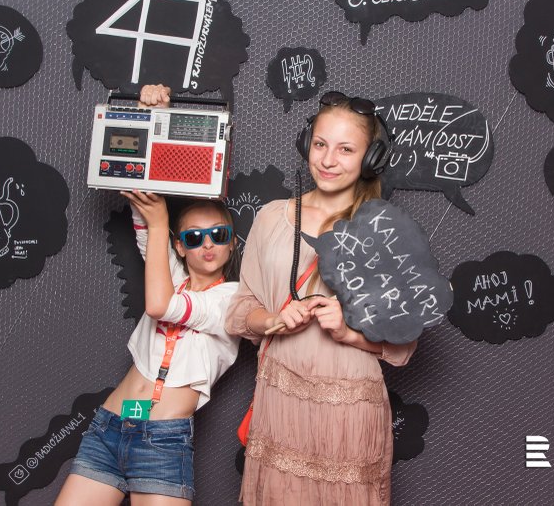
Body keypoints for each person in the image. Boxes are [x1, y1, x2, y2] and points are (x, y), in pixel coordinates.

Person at [225, 91, 417, 505]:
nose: (328, 160)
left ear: (371, 159)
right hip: (282, 403)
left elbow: (403, 345)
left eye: (346, 149)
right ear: (306, 145)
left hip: (350, 411)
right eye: (320, 144)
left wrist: (349, 332)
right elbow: (240, 310)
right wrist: (273, 320)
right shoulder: (272, 217)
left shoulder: (386, 233)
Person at [56, 85, 240, 506]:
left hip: (162, 440)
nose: (207, 244)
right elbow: (144, 205)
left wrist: (160, 223)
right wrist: (153, 115)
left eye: (218, 234)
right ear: (179, 246)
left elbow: (161, 306)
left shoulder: (233, 301)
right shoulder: (169, 273)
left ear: (232, 243)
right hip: (111, 425)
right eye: (193, 237)